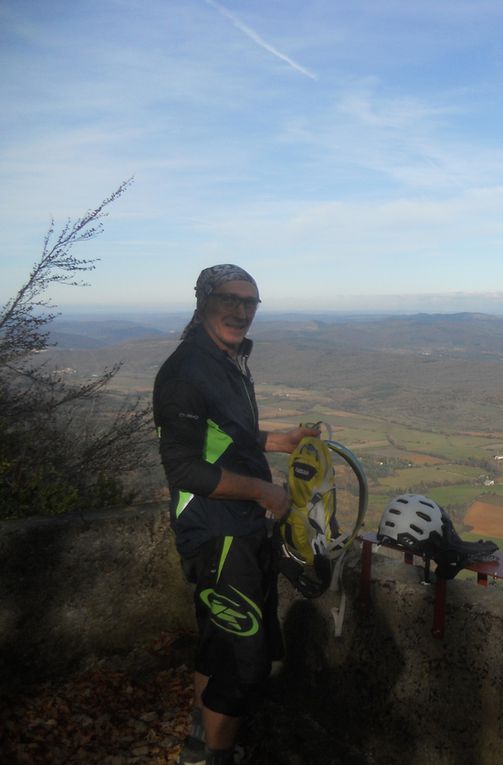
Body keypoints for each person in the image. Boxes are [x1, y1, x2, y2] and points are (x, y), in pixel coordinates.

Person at [153, 264, 319, 765]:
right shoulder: (187, 370)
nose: (241, 311)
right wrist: (264, 493)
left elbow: (226, 436)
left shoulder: (226, 360)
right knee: (243, 661)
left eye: (250, 302)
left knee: (218, 644)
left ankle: (201, 744)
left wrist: (280, 441)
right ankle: (216, 759)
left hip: (235, 528)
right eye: (229, 299)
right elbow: (183, 468)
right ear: (204, 301)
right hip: (216, 529)